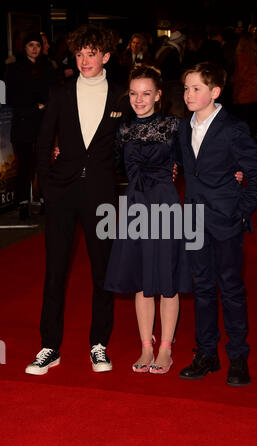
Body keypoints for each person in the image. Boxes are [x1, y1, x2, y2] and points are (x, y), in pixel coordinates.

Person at [104, 65, 243, 375]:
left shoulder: (174, 126)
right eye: (133, 94)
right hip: (136, 207)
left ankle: (165, 347)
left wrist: (234, 170)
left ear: (158, 95)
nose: (139, 100)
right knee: (142, 281)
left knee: (167, 279)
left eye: (146, 93)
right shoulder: (123, 129)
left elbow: (201, 155)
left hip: (167, 205)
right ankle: (145, 346)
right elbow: (106, 163)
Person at [25, 24, 130, 376]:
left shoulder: (120, 95)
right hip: (62, 192)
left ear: (106, 57)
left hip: (101, 195)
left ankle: (98, 345)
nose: (84, 60)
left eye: (91, 54)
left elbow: (131, 145)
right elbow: (43, 142)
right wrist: (47, 186)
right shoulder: (60, 92)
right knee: (54, 272)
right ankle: (49, 346)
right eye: (79, 54)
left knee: (103, 272)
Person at [177, 62, 257, 386]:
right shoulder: (183, 127)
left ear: (214, 92)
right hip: (195, 220)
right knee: (201, 288)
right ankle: (206, 354)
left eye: (196, 88)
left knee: (230, 289)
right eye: (186, 88)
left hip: (226, 221)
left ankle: (238, 358)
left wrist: (242, 211)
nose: (189, 94)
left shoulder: (232, 128)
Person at [5, 31, 57, 219]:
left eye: (37, 45)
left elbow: (53, 93)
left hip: (44, 123)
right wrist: (36, 105)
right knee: (24, 165)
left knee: (43, 164)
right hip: (23, 123)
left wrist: (43, 105)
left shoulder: (49, 67)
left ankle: (44, 199)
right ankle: (22, 202)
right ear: (24, 47)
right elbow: (12, 97)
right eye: (30, 45)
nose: (35, 49)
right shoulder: (14, 68)